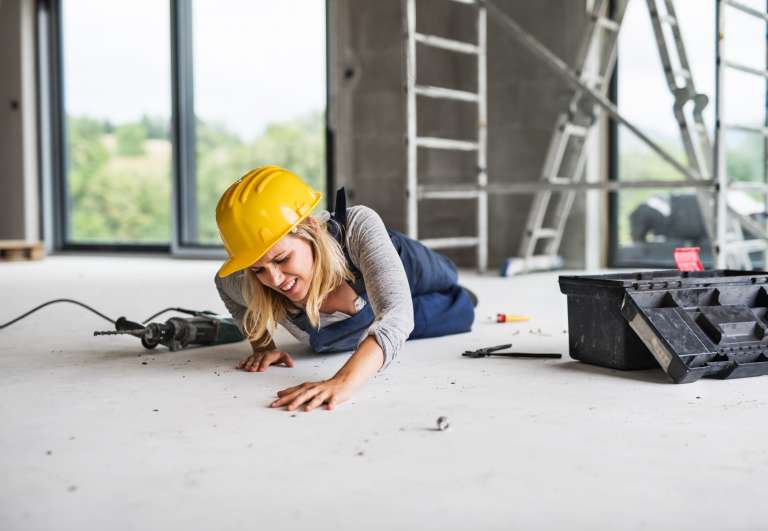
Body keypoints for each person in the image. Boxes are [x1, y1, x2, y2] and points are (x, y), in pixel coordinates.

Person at [214, 166, 475, 412]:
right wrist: (263, 346)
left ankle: (434, 288)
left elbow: (396, 315)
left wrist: (342, 382)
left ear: (312, 229)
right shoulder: (249, 281)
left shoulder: (358, 227)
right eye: (258, 269)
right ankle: (461, 301)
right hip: (376, 313)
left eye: (282, 259)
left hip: (400, 265)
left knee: (446, 276)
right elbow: (223, 284)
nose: (275, 279)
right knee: (462, 313)